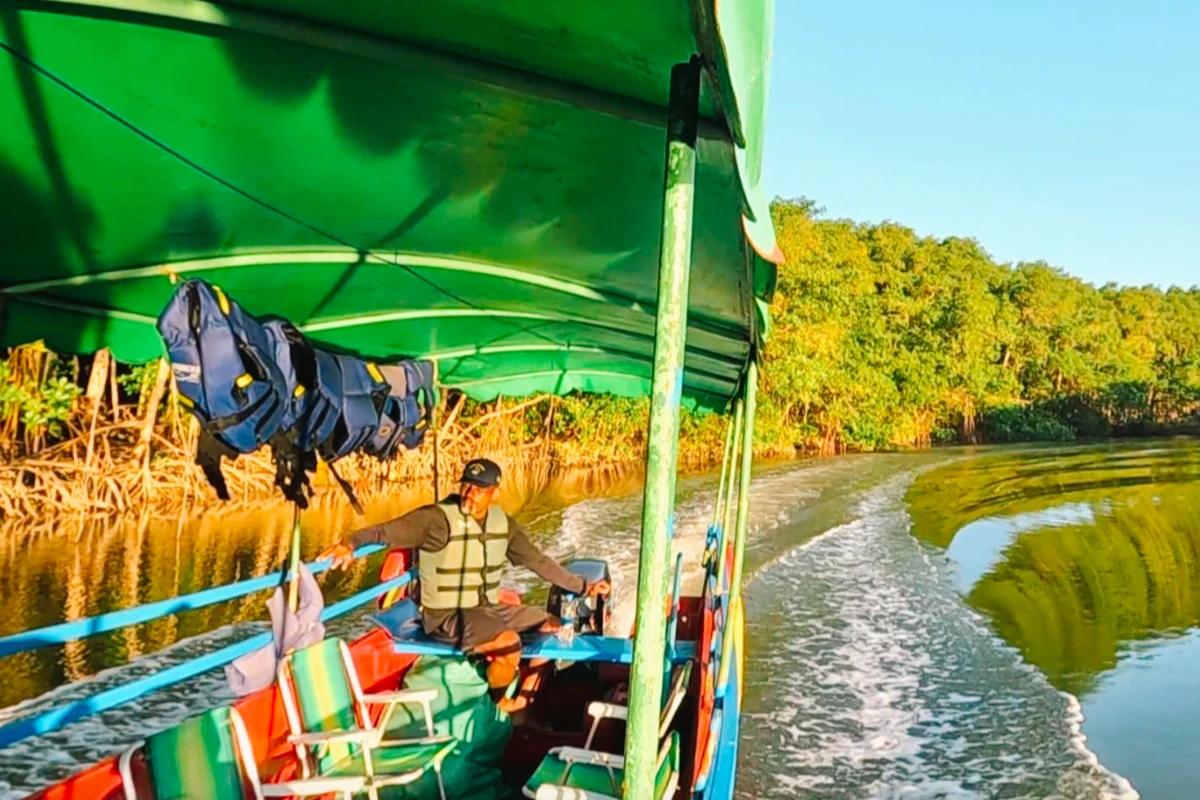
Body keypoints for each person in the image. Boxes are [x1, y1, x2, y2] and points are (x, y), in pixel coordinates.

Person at [319, 457, 609, 713]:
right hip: (445, 615)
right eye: (467, 486)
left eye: (479, 489)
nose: (470, 494)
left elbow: (538, 561)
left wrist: (584, 587)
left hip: (486, 607)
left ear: (495, 493)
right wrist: (350, 543)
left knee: (553, 626)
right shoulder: (435, 520)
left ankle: (523, 705)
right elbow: (386, 530)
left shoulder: (503, 525)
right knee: (510, 644)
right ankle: (499, 704)